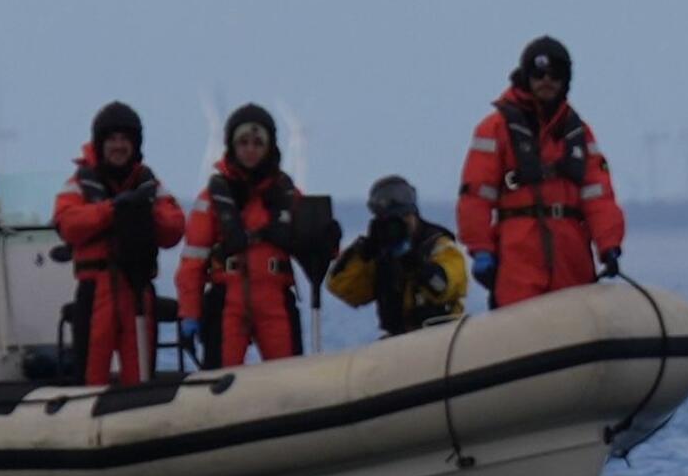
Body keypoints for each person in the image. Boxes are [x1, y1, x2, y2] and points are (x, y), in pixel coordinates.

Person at [456, 36, 626, 309]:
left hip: (571, 258)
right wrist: (481, 250)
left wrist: (609, 245)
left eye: (555, 74)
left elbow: (599, 197)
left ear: (566, 80)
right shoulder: (495, 129)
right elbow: (475, 196)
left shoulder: (578, 133)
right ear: (526, 75)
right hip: (518, 257)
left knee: (575, 321)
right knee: (518, 325)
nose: (547, 80)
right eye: (539, 73)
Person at [175, 104, 326, 368]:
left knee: (288, 376)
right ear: (232, 146)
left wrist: (327, 236)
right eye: (243, 142)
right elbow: (193, 262)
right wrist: (189, 312)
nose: (250, 150)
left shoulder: (288, 196)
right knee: (221, 378)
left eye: (258, 143)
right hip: (228, 299)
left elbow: (318, 250)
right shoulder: (212, 198)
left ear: (269, 147)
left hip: (275, 297)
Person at [54, 102, 185, 386]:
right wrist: (113, 210)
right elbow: (68, 224)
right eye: (112, 139)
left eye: (125, 139)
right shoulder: (77, 184)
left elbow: (173, 229)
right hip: (95, 290)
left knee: (141, 378)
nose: (118, 145)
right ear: (100, 143)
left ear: (135, 144)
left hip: (136, 288)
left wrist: (144, 212)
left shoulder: (149, 184)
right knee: (91, 379)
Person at [325, 176, 468, 337]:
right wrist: (363, 252)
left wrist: (417, 266)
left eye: (405, 219)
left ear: (415, 214)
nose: (399, 227)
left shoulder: (438, 245)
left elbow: (444, 286)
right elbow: (342, 287)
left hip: (440, 336)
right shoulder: (380, 253)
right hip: (397, 341)